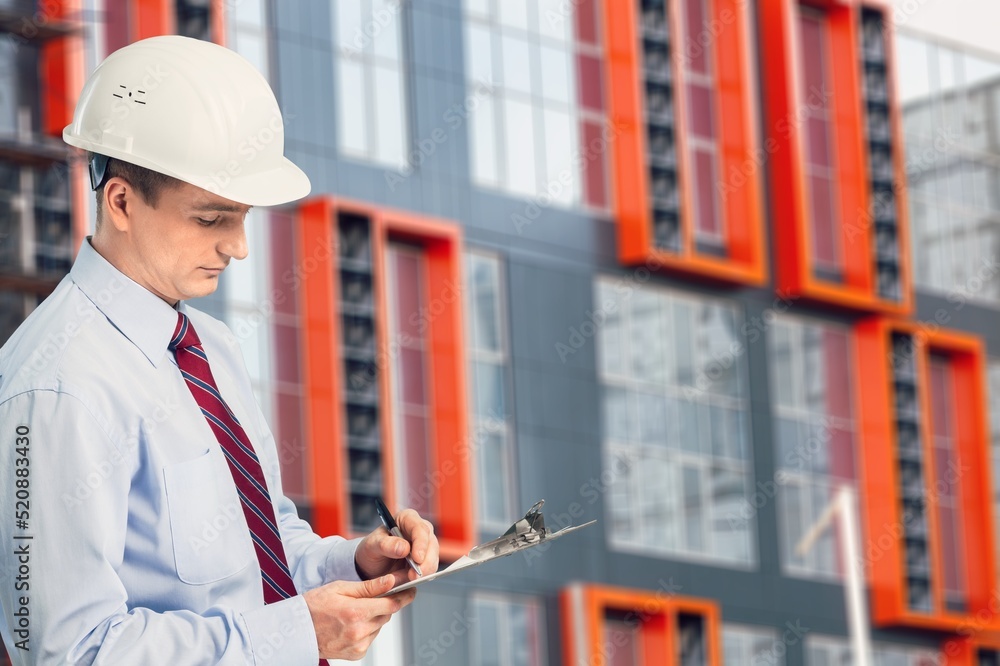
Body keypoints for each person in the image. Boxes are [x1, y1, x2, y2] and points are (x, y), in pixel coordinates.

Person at [0, 35, 438, 664]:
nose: (239, 247)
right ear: (120, 201)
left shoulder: (211, 348)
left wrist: (355, 562)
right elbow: (72, 652)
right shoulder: (58, 388)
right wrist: (296, 636)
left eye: (242, 217)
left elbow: (260, 548)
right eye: (211, 219)